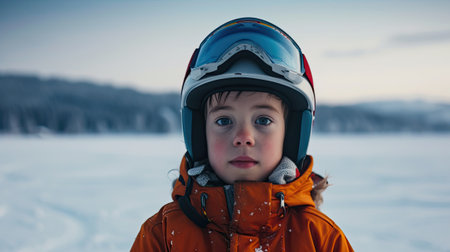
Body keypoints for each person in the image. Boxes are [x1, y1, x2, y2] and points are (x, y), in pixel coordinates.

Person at [131, 17, 353, 251]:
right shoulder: (163, 234)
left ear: (290, 136)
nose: (243, 137)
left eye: (263, 120)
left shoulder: (320, 237)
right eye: (224, 120)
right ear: (199, 134)